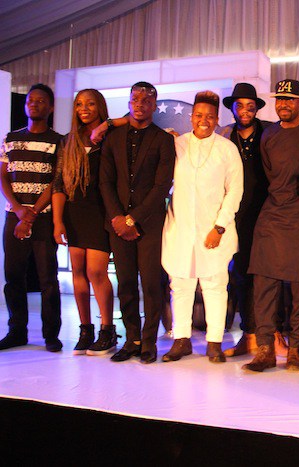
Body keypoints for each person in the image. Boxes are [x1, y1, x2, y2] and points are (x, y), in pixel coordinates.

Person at [243, 79, 299, 372]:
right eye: (280, 99)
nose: (284, 104)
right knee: (264, 284)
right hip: (272, 215)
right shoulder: (268, 134)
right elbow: (269, 175)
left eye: (290, 99)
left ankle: (295, 349)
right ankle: (265, 349)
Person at [161, 91, 243, 363]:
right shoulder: (178, 144)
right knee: (181, 284)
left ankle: (214, 343)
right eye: (198, 115)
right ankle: (181, 340)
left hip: (215, 229)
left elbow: (235, 191)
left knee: (215, 285)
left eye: (209, 116)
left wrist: (219, 227)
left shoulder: (227, 149)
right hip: (180, 228)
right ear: (191, 117)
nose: (203, 120)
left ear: (217, 119)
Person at [99, 81, 176, 364]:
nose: (140, 104)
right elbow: (105, 182)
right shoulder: (113, 138)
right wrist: (119, 219)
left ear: (154, 105)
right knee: (126, 283)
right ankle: (131, 339)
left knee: (152, 284)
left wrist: (133, 219)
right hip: (117, 224)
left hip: (149, 224)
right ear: (129, 102)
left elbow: (162, 186)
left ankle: (149, 341)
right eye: (135, 99)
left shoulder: (163, 140)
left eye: (146, 100)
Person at [217, 83, 283, 358]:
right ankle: (249, 335)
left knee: (270, 275)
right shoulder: (224, 135)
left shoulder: (270, 131)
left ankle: (275, 334)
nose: (245, 111)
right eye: (240, 106)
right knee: (241, 275)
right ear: (232, 108)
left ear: (256, 109)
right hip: (236, 215)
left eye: (250, 106)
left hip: (268, 212)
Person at [52, 89, 119, 356]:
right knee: (78, 272)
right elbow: (58, 184)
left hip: (101, 211)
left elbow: (128, 119)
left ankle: (107, 330)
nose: (84, 108)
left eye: (90, 104)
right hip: (74, 211)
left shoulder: (111, 137)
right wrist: (58, 222)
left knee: (96, 272)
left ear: (100, 107)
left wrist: (107, 124)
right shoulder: (67, 141)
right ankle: (85, 330)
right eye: (79, 104)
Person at [0, 84, 62, 352]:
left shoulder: (58, 141)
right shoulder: (11, 138)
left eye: (41, 100)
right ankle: (17, 332)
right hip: (14, 216)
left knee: (48, 278)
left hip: (43, 217)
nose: (34, 104)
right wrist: (18, 209)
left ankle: (51, 335)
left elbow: (56, 181)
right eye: (30, 100)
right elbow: (3, 176)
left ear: (50, 107)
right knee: (13, 275)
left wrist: (32, 213)